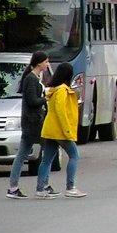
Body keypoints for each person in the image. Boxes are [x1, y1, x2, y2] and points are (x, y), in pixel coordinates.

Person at [36, 62, 86, 199]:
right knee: (74, 156)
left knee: (46, 160)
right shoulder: (62, 90)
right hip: (60, 130)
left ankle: (40, 188)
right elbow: (61, 111)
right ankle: (70, 187)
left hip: (50, 129)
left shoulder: (52, 89)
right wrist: (67, 131)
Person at [6, 51, 51, 199]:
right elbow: (32, 101)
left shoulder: (35, 78)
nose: (47, 64)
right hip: (34, 123)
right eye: (46, 62)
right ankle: (43, 186)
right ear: (39, 63)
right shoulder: (31, 79)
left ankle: (13, 187)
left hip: (32, 122)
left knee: (22, 155)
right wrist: (46, 98)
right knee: (48, 152)